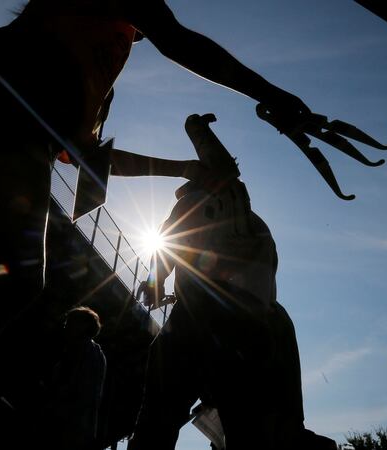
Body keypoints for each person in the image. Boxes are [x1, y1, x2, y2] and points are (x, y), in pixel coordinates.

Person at [0, 1, 315, 447]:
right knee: (12, 285)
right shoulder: (68, 47)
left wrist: (183, 168)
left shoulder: (93, 58)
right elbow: (179, 40)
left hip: (16, 128)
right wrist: (269, 93)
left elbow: (93, 161)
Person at [128, 113, 334, 450]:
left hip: (195, 320)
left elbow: (168, 247)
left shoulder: (193, 203)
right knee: (247, 426)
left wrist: (155, 283)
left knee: (158, 417)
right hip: (252, 330)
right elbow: (269, 288)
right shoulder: (261, 228)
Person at [36, 306, 108, 450]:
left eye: (70, 323)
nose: (66, 326)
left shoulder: (86, 352)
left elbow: (77, 389)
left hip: (66, 426)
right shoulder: (89, 352)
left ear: (84, 326)